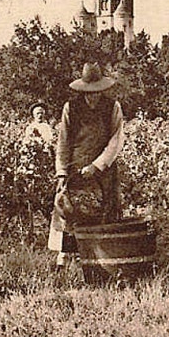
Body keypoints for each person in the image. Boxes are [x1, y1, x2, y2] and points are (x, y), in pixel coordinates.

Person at [48, 63, 125, 267]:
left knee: (104, 210)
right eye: (89, 93)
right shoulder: (71, 107)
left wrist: (98, 165)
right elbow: (63, 141)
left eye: (97, 92)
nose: (93, 96)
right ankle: (64, 258)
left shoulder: (112, 107)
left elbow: (116, 140)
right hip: (76, 166)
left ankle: (98, 261)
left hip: (103, 169)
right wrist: (62, 172)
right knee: (68, 208)